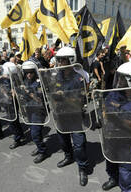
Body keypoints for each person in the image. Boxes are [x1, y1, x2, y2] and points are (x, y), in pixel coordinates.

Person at [101, 60, 131, 192]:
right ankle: (113, 179)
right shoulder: (116, 93)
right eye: (119, 77)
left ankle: (127, 189)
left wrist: (116, 115)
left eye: (123, 78)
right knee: (110, 160)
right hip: (110, 135)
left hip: (127, 140)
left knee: (126, 169)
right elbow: (106, 107)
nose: (120, 80)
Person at [48, 47, 90, 186]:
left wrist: (64, 96)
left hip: (75, 115)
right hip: (60, 114)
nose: (59, 63)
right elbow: (51, 91)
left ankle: (82, 168)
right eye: (58, 60)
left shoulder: (80, 76)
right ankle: (68, 156)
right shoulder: (55, 75)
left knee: (79, 145)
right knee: (63, 140)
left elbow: (83, 98)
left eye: (62, 60)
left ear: (71, 60)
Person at [19, 61, 50, 163]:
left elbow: (39, 100)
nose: (28, 74)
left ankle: (43, 152)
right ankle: (40, 146)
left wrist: (28, 92)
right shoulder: (25, 80)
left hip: (38, 110)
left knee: (34, 133)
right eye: (26, 72)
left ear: (34, 72)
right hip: (29, 109)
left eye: (31, 72)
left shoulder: (39, 82)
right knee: (36, 132)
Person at [0, 62, 26, 149]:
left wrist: (15, 91)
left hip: (12, 102)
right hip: (5, 101)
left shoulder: (15, 78)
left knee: (13, 121)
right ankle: (20, 135)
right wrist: (3, 76)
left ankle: (17, 139)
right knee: (13, 121)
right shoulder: (3, 76)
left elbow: (21, 87)